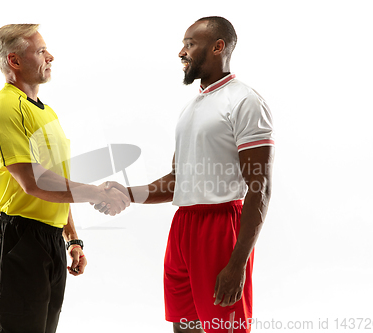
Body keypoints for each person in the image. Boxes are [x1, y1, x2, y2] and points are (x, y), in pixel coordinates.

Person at [96, 16, 274, 332]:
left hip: (220, 226)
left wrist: (238, 263)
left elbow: (259, 188)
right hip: (183, 227)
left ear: (218, 47)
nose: (182, 51)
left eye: (190, 44)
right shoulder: (191, 108)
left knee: (224, 327)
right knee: (184, 326)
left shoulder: (245, 101)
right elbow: (178, 180)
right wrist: (127, 193)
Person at [0, 24, 130, 333]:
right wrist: (97, 193)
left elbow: (57, 182)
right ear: (15, 61)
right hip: (20, 238)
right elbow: (34, 182)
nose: (51, 56)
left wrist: (72, 239)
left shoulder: (48, 113)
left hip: (51, 241)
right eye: (40, 51)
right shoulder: (4, 105)